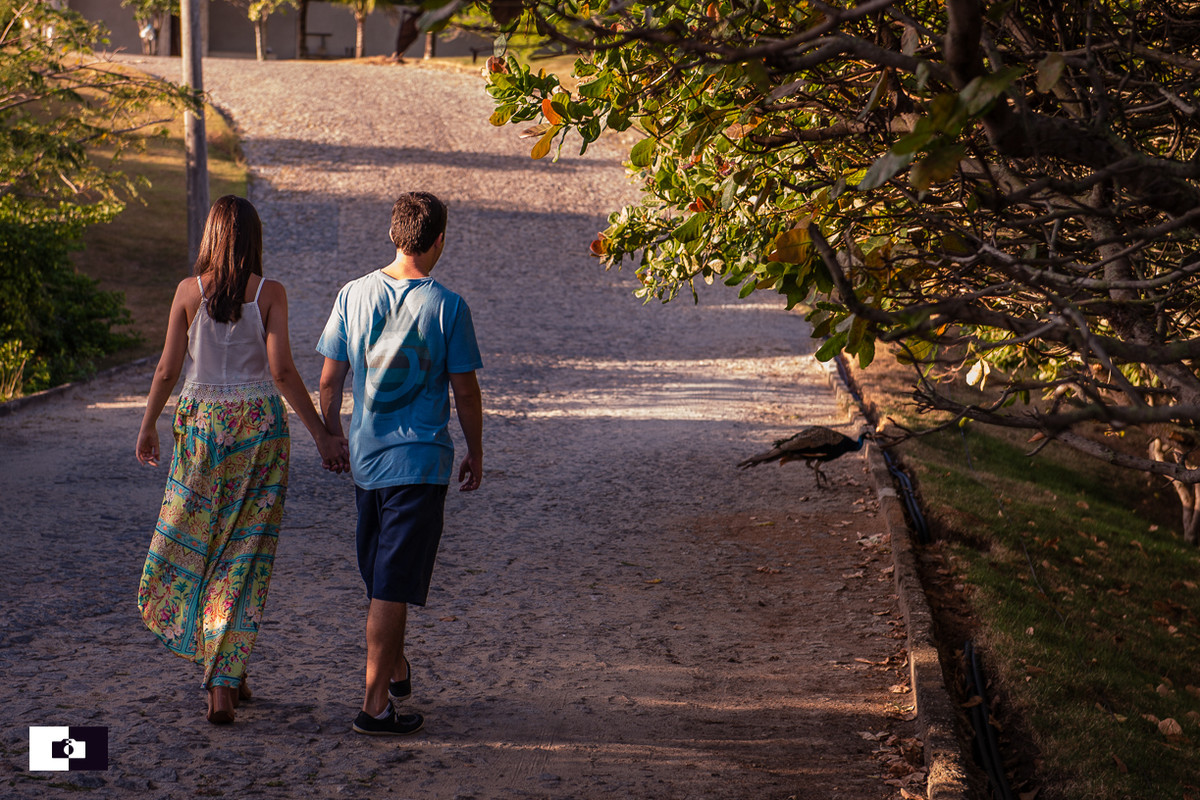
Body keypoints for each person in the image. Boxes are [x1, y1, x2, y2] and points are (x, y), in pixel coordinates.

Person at [135, 195, 348, 724]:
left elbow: (166, 369)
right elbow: (280, 372)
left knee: (198, 543)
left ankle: (226, 671)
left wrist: (147, 426)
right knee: (244, 551)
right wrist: (322, 433)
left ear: (210, 236)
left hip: (201, 428)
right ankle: (225, 680)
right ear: (253, 239)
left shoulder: (189, 292)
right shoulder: (269, 292)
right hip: (258, 429)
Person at [317, 191, 483, 736]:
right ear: (439, 241)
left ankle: (395, 668)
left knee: (381, 578)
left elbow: (328, 379)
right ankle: (374, 707)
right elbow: (465, 392)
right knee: (388, 583)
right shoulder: (449, 306)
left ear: (394, 234)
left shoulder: (352, 294)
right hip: (419, 463)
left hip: (366, 461)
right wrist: (476, 450)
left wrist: (332, 434)